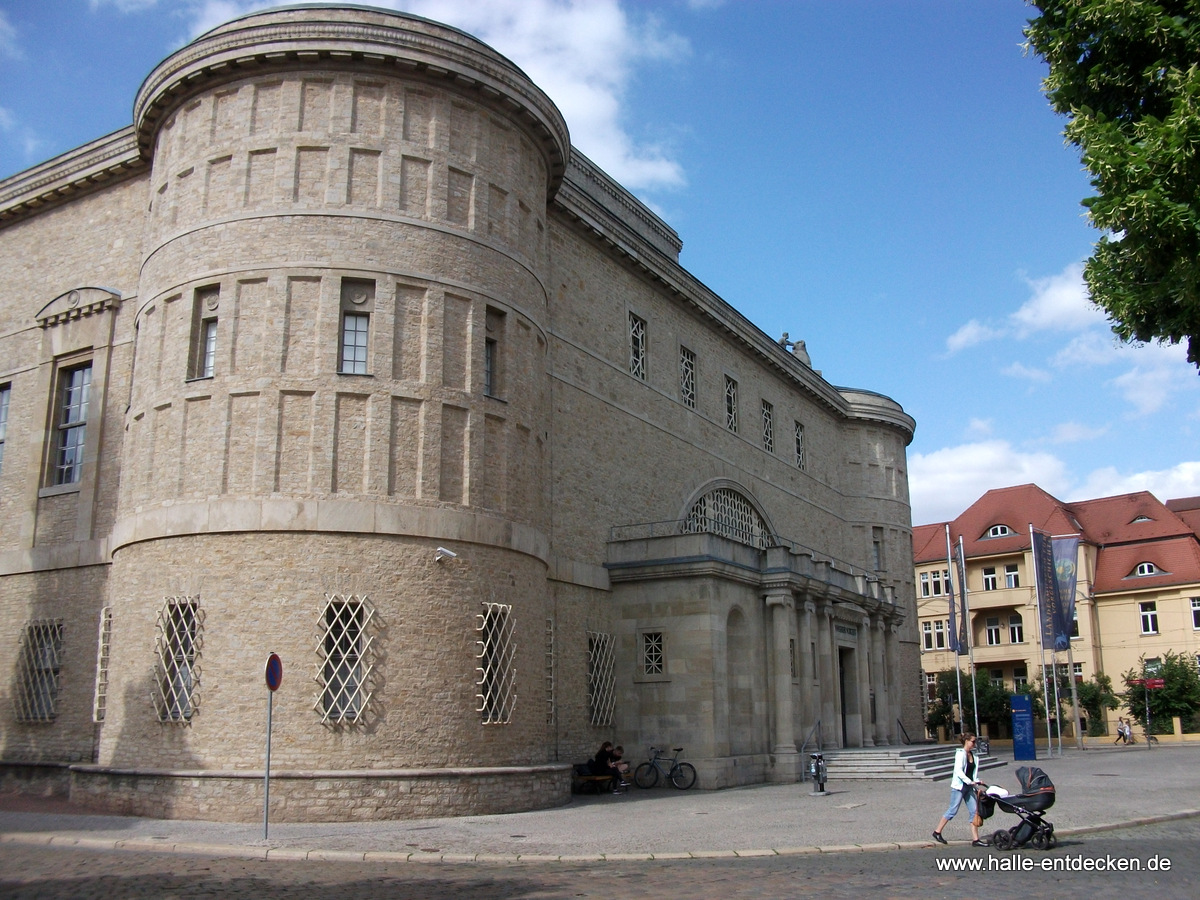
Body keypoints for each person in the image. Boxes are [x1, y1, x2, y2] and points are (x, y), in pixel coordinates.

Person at [931, 732, 988, 847]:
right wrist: (969, 781)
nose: (974, 743)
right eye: (973, 741)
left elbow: (972, 773)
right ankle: (937, 832)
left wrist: (976, 781)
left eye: (975, 741)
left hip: (969, 787)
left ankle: (976, 840)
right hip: (959, 787)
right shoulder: (960, 754)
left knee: (975, 811)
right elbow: (958, 771)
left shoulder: (974, 756)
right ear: (966, 741)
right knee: (953, 810)